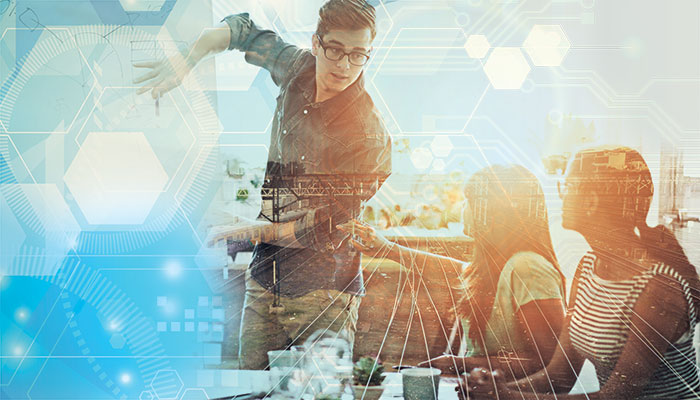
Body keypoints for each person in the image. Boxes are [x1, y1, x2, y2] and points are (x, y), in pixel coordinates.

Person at [135, 0, 392, 370]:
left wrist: (249, 230)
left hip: (324, 295)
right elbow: (242, 30)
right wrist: (187, 60)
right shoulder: (298, 68)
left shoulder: (368, 137)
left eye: (357, 55)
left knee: (321, 395)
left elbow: (322, 229)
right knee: (250, 390)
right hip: (265, 280)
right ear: (317, 42)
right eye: (335, 50)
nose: (344, 66)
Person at [464, 146, 700, 399]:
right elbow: (559, 375)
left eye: (568, 186)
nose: (561, 196)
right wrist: (494, 391)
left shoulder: (659, 288)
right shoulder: (588, 267)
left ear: (591, 201)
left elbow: (615, 397)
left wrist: (507, 397)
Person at [339, 165, 565, 379]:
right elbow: (456, 270)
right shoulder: (495, 265)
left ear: (496, 211)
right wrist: (387, 248)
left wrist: (460, 364)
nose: (462, 209)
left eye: (470, 201)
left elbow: (549, 363)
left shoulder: (529, 267)